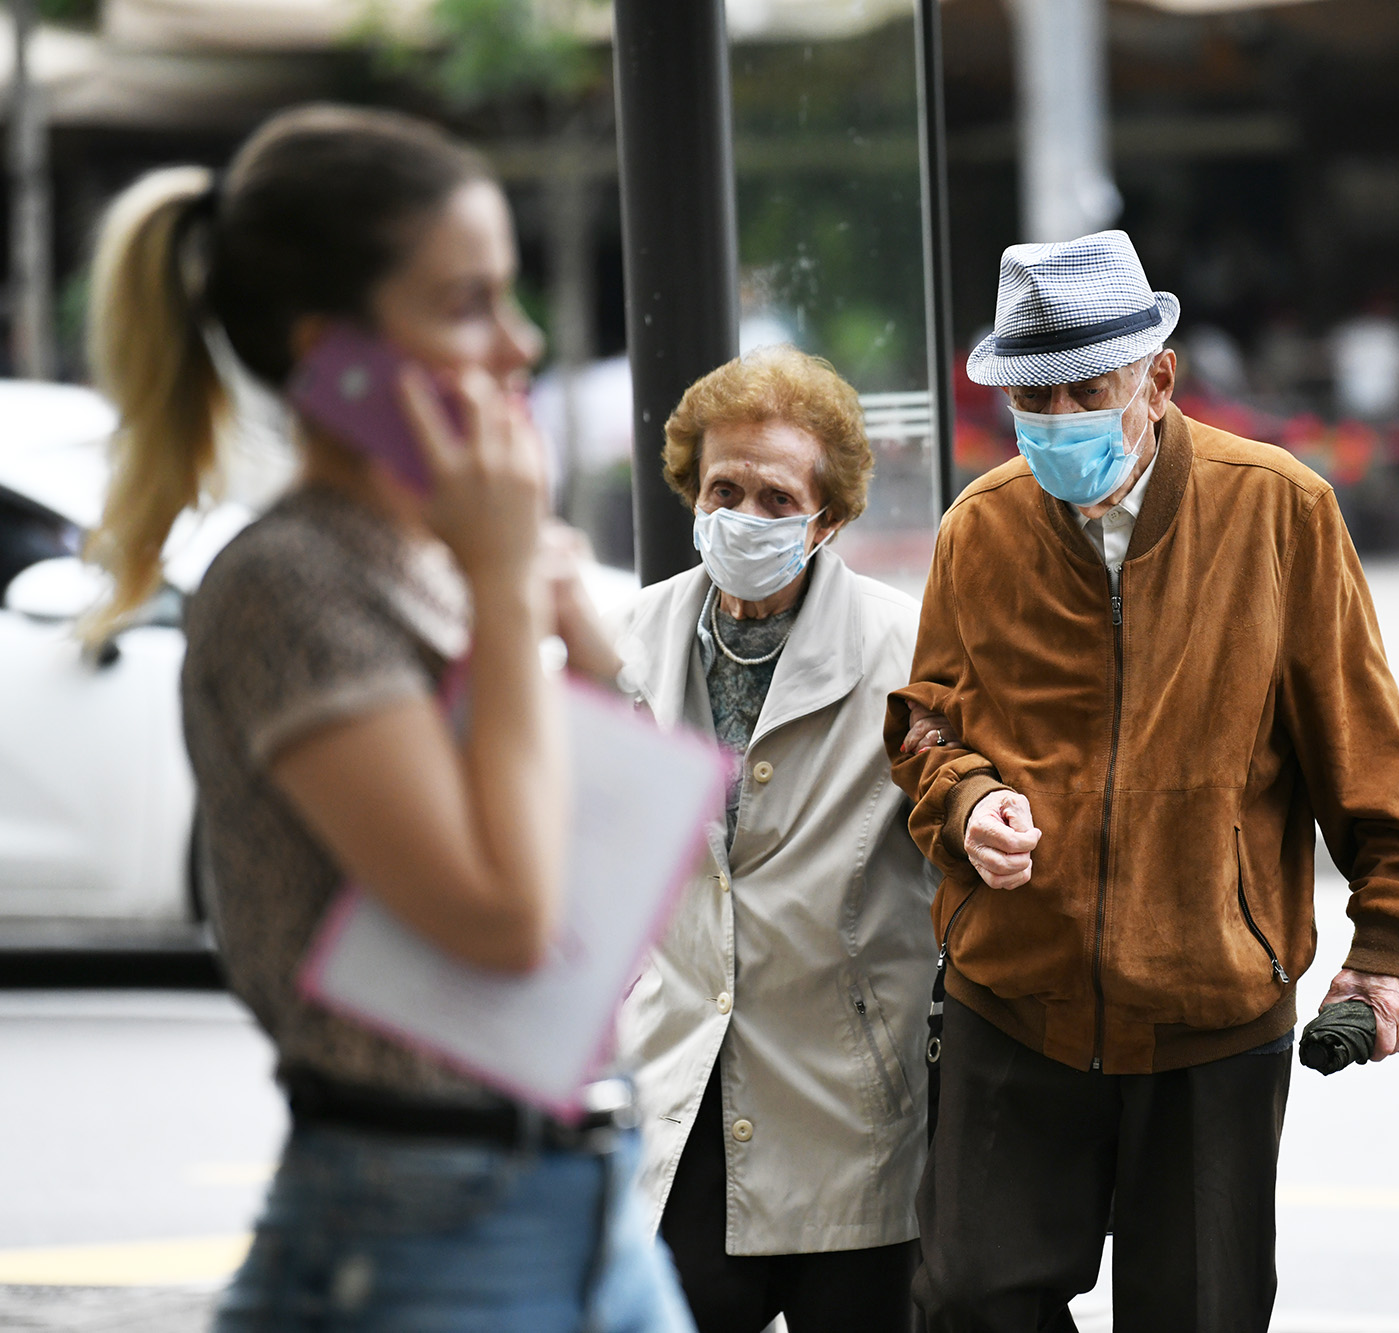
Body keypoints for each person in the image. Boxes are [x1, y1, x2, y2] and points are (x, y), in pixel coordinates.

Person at [86, 105, 692, 1331]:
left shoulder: (437, 555)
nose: (518, 345)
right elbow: (507, 918)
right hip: (418, 1229)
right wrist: (497, 592)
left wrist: (559, 630)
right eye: (466, 305)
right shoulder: (289, 579)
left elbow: (611, 879)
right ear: (336, 357)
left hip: (583, 1195)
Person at [886, 229, 1399, 1331]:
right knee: (964, 1299)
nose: (1056, 424)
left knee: (1200, 1313)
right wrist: (965, 802)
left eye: (1083, 391)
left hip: (1212, 1011)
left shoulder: (1278, 510)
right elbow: (925, 728)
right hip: (1012, 999)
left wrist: (1393, 942)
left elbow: (1361, 747)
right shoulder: (979, 527)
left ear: (1156, 376)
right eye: (1032, 400)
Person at [615, 346, 935, 1332]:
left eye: (774, 497)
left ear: (827, 518)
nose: (743, 517)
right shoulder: (627, 642)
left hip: (849, 1108)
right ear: (690, 491)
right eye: (723, 489)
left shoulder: (905, 649)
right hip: (680, 1094)